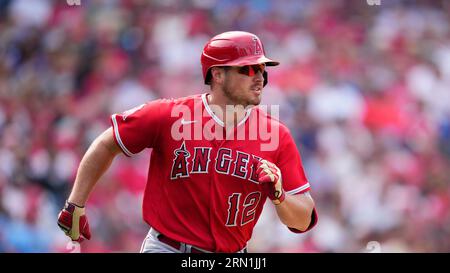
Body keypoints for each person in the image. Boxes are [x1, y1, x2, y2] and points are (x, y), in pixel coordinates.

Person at [57, 31, 318, 253]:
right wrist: (75, 203)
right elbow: (107, 143)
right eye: (247, 69)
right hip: (167, 247)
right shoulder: (169, 116)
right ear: (217, 74)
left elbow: (303, 219)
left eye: (262, 70)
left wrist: (280, 197)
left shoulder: (276, 135)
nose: (259, 77)